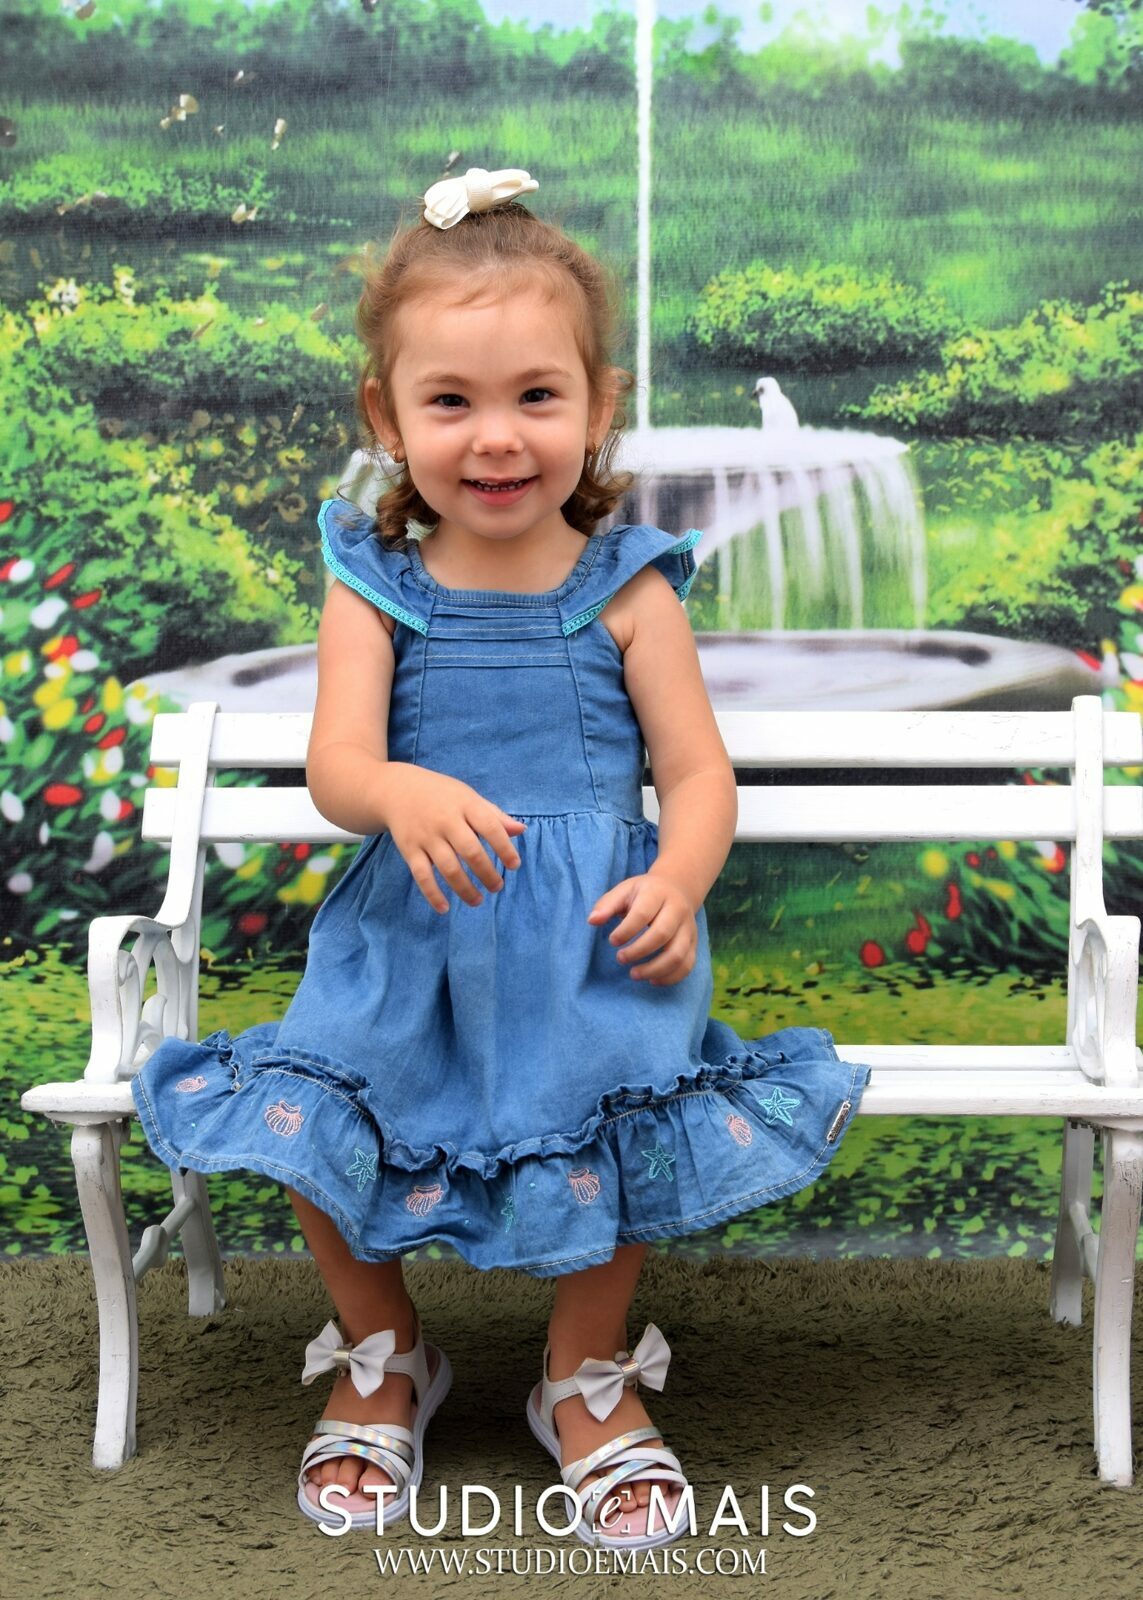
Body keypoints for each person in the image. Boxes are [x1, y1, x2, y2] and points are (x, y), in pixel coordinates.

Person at [131, 166, 869, 1549]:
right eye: (450, 402)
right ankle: (383, 1352)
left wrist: (679, 878)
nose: (497, 437)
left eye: (537, 395)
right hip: (414, 930)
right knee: (321, 1110)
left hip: (589, 938)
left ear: (599, 405)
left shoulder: (628, 588)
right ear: (387, 417)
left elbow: (697, 773)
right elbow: (337, 767)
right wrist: (398, 789)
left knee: (621, 1117)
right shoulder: (377, 587)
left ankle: (584, 1375)